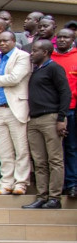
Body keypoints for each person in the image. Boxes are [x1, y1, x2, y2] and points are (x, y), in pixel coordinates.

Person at [22, 40, 71, 209]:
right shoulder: (35, 71)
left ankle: (55, 198)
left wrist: (61, 118)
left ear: (45, 52)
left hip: (50, 118)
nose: (32, 53)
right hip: (34, 119)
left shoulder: (54, 68)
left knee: (55, 159)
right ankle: (42, 196)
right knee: (39, 160)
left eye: (35, 51)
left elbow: (65, 93)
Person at [0, 31, 32, 196]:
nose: (2, 44)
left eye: (6, 40)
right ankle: (6, 183)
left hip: (16, 107)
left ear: (14, 41)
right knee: (4, 151)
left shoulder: (22, 56)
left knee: (21, 149)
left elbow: (14, 78)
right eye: (0, 41)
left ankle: (21, 183)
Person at [52, 28, 77, 198]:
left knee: (72, 148)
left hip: (73, 109)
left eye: (66, 37)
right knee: (55, 151)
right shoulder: (49, 58)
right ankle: (57, 186)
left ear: (73, 39)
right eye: (59, 37)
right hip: (52, 111)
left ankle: (72, 183)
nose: (62, 40)